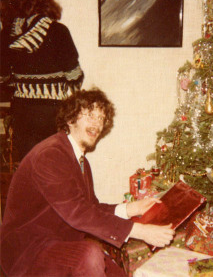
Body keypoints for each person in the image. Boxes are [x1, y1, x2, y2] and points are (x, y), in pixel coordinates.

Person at [0, 87, 175, 276]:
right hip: (29, 251)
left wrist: (133, 208)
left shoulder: (81, 161)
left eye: (101, 119)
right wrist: (141, 231)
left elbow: (90, 207)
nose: (97, 124)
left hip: (58, 244)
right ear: (70, 118)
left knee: (115, 272)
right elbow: (79, 213)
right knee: (91, 254)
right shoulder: (50, 154)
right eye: (90, 115)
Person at [0, 0, 84, 161]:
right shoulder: (58, 31)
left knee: (29, 167)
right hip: (52, 113)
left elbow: (2, 77)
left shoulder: (6, 35)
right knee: (53, 166)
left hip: (22, 112)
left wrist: (22, 82)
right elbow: (74, 75)